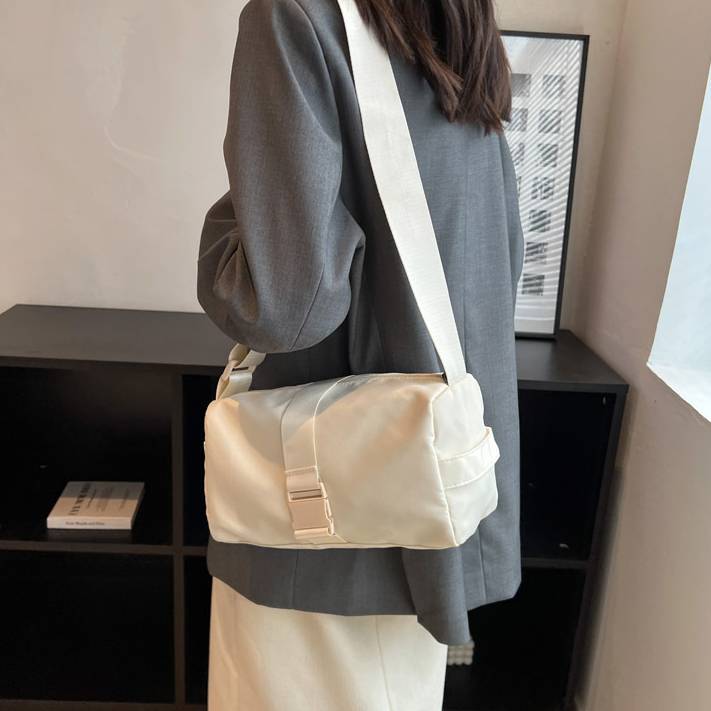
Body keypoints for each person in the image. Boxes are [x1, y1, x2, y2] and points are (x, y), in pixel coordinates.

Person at [196, 0, 524, 708]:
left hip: (317, 534)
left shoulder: (293, 17)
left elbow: (285, 305)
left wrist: (229, 227)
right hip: (420, 500)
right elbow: (498, 258)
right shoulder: (452, 28)